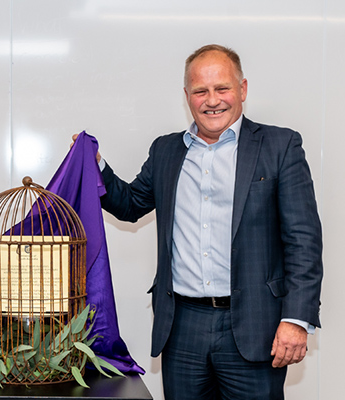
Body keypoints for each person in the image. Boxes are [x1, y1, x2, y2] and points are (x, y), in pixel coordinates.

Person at [93, 44, 323, 399]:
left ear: (242, 89)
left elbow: (303, 241)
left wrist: (295, 320)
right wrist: (95, 167)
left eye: (222, 88)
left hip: (254, 326)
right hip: (182, 326)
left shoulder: (280, 146)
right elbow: (130, 204)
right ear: (187, 96)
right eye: (200, 91)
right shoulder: (166, 150)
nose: (212, 100)